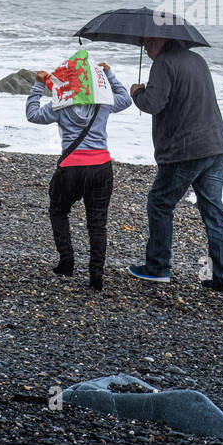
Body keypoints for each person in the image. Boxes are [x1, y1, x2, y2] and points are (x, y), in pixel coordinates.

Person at [127, 37, 223, 291]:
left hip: (185, 150)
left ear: (162, 40)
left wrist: (137, 93)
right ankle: (222, 280)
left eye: (148, 41)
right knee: (213, 214)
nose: (145, 46)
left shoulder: (164, 63)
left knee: (160, 203)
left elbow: (153, 104)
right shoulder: (197, 60)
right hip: (216, 145)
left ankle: (157, 267)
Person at [25, 56, 131, 289]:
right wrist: (110, 74)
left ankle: (67, 261)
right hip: (101, 167)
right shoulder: (103, 103)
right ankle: (96, 277)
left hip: (71, 167)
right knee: (97, 223)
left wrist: (38, 85)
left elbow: (32, 115)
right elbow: (126, 99)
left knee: (59, 211)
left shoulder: (61, 105)